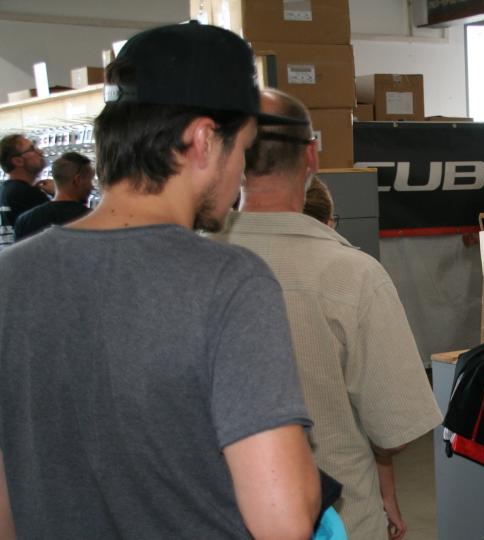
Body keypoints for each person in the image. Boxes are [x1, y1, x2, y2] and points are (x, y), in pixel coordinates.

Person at [0, 22, 322, 538]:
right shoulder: (228, 281)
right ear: (201, 140)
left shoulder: (11, 276)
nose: (241, 172)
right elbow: (282, 519)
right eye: (242, 147)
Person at [210, 88, 442, 540]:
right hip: (336, 521)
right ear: (312, 156)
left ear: (229, 156)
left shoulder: (191, 264)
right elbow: (395, 430)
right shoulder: (351, 275)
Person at [14, 151, 94, 240]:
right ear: (77, 180)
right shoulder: (92, 219)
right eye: (89, 181)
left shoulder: (25, 221)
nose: (92, 187)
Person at [0, 134, 49, 250]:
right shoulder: (27, 194)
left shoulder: (6, 191)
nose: (40, 152)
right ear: (18, 161)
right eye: (32, 149)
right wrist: (60, 193)